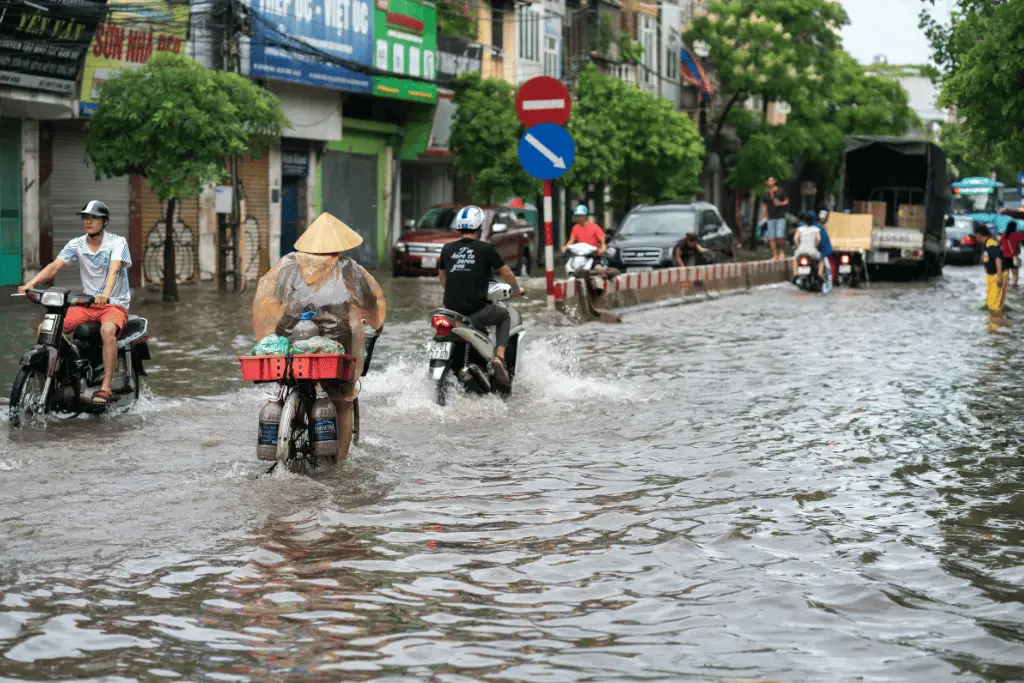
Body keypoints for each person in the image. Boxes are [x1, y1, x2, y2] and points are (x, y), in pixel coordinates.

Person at [253, 212, 386, 462]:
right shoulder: (349, 269)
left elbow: (274, 301)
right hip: (335, 345)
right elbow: (370, 303)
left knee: (291, 380)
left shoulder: (287, 266)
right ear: (338, 244)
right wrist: (376, 324)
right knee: (342, 399)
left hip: (290, 339)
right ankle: (340, 460)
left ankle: (292, 418)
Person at [18, 200, 132, 406]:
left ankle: (105, 386)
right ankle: (63, 374)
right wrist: (31, 283)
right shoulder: (76, 244)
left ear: (104, 221)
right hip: (87, 305)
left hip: (114, 304)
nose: (88, 221)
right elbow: (54, 267)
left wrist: (105, 294)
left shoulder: (117, 242)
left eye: (94, 217)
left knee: (107, 331)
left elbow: (114, 270)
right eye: (85, 217)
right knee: (45, 329)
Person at [438, 205, 525, 389]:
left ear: (459, 227)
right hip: (475, 311)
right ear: (479, 227)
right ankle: (499, 357)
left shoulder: (447, 249)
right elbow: (507, 272)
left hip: (451, 313)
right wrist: (516, 289)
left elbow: (442, 277)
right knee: (503, 315)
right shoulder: (486, 249)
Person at [975, 222, 1006, 313]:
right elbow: (987, 257)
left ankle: (995, 325)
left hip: (996, 276)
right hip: (991, 276)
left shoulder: (991, 243)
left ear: (979, 235)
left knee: (994, 306)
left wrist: (999, 277)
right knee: (990, 304)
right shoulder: (985, 244)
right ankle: (991, 324)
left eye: (976, 236)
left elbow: (998, 259)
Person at [760, 177, 789, 261]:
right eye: (769, 181)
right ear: (766, 183)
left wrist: (780, 203)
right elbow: (764, 204)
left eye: (772, 180)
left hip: (780, 217)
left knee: (779, 236)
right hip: (770, 217)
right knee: (771, 237)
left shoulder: (781, 191)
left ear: (775, 181)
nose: (770, 182)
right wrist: (763, 214)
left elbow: (787, 201)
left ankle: (782, 252)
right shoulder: (766, 194)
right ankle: (774, 255)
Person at [792, 214, 824, 281]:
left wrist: (798, 246)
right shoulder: (816, 229)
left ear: (805, 221)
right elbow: (818, 239)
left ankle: (795, 274)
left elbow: (795, 239)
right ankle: (820, 274)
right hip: (812, 251)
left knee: (794, 259)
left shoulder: (800, 229)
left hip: (801, 250)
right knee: (821, 260)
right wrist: (815, 246)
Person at [813, 211, 835, 284]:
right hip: (820, 250)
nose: (822, 219)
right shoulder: (818, 228)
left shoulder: (818, 227)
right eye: (821, 218)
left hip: (822, 250)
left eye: (823, 218)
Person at [1000, 220, 1023, 288]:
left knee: (1005, 274)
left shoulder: (1004, 235)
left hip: (1004, 257)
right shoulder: (1016, 235)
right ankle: (1014, 287)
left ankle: (1006, 288)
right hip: (1013, 257)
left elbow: (1001, 245)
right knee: (1015, 274)